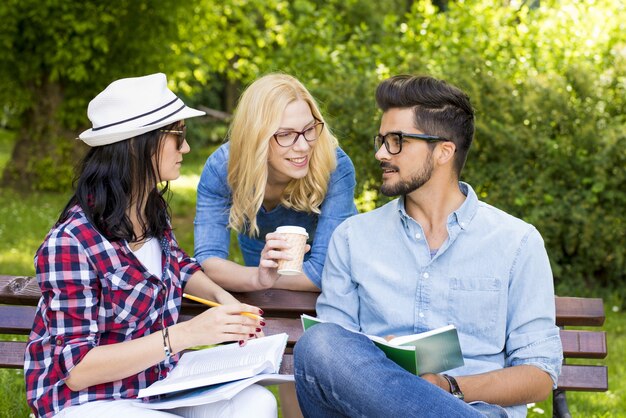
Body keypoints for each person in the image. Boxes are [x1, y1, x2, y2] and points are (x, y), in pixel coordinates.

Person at [294, 75, 563, 418]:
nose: (380, 153)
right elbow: (329, 361)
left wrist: (449, 387)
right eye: (381, 140)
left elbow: (539, 375)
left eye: (397, 141)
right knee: (319, 344)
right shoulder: (352, 238)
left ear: (443, 151)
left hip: (474, 409)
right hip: (366, 410)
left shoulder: (516, 242)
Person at [24, 73, 276, 418]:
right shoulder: (70, 243)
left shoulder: (150, 210)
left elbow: (178, 265)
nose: (186, 147)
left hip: (156, 387)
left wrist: (225, 300)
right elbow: (78, 369)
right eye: (178, 135)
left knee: (258, 402)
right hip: (88, 403)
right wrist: (186, 333)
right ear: (136, 144)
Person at [194, 73, 357, 293]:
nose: (303, 146)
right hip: (259, 253)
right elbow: (209, 262)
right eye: (286, 134)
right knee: (270, 305)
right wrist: (258, 278)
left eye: (309, 129)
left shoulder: (334, 165)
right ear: (256, 137)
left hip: (331, 268)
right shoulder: (223, 168)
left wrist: (252, 278)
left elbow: (323, 273)